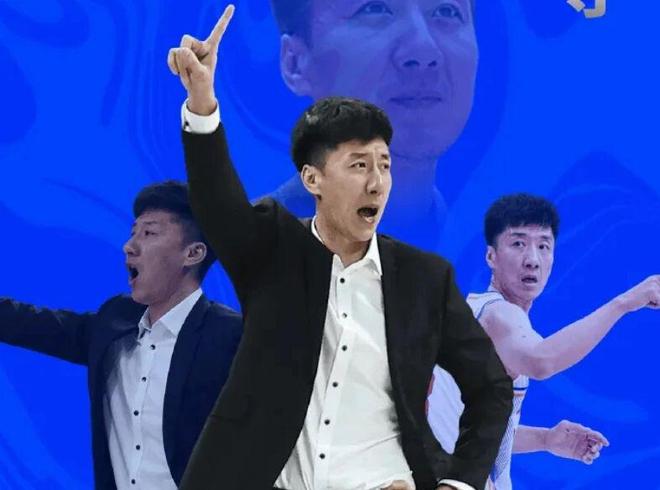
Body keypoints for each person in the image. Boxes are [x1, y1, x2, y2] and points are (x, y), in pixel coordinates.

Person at [167, 6, 511, 490]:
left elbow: (491, 387)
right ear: (313, 179)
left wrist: (459, 483)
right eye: (358, 165)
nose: (376, 183)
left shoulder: (425, 278)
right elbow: (218, 204)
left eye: (384, 165)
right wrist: (202, 104)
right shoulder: (271, 248)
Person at [0, 180, 242, 489]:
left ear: (193, 253)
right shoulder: (115, 321)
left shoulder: (230, 336)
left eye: (149, 233)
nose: (130, 246)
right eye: (133, 232)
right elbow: (34, 325)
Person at [428, 193, 660, 489]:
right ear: (491, 256)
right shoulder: (498, 315)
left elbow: (469, 427)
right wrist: (624, 303)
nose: (532, 260)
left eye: (543, 246)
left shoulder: (475, 311)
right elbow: (541, 361)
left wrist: (546, 439)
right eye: (518, 244)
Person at [266, 0, 480, 249]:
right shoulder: (249, 253)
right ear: (296, 63)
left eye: (446, 11)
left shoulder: (486, 249)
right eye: (374, 9)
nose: (424, 50)